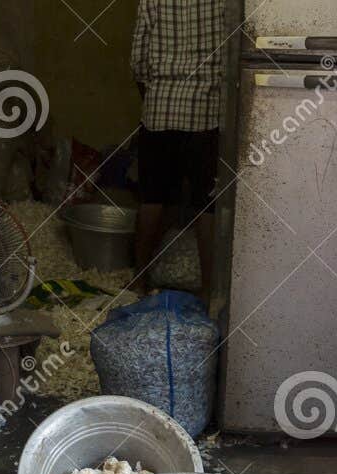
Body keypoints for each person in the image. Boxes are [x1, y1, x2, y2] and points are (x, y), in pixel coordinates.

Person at [129, 0, 225, 301]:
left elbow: (138, 61)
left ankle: (139, 282)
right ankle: (209, 292)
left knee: (152, 197)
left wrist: (156, 94)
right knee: (206, 203)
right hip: (206, 113)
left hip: (159, 111)